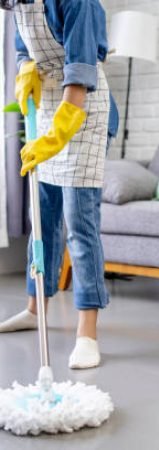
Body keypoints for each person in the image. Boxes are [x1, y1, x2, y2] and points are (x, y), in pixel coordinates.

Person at [0, 0, 119, 370]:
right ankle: (35, 308)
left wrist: (57, 136)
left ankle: (87, 333)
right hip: (49, 106)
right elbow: (24, 48)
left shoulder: (77, 1)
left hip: (81, 110)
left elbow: (81, 74)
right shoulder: (19, 3)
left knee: (79, 225)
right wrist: (25, 72)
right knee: (43, 217)